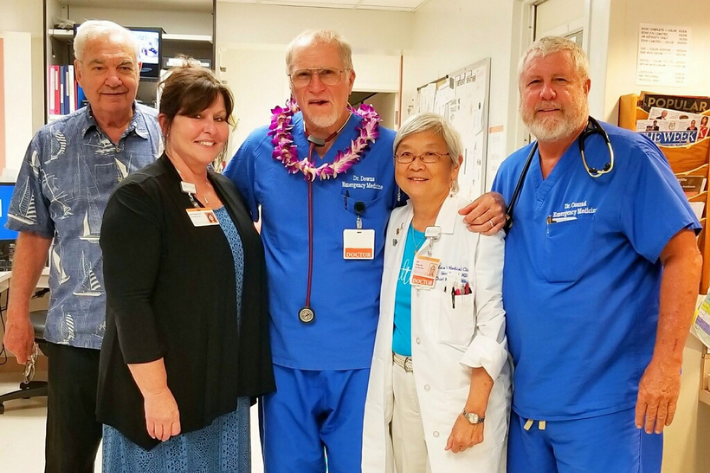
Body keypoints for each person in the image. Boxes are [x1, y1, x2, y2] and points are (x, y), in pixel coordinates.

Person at [223, 29, 505, 472]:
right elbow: (224, 221)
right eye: (304, 75)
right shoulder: (261, 148)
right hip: (284, 358)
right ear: (290, 83)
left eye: (328, 73)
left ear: (350, 78)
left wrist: (492, 201)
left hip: (363, 361)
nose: (316, 86)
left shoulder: (389, 149)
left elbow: (433, 201)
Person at [491, 36, 702, 472]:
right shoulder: (513, 171)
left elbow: (685, 256)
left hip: (608, 409)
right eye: (533, 82)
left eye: (559, 80)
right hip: (529, 405)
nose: (545, 93)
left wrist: (667, 365)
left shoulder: (629, 158)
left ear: (586, 87)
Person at [96, 62, 275, 471]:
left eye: (219, 118)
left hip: (218, 386)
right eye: (195, 116)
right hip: (163, 389)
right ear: (165, 122)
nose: (209, 128)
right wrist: (156, 393)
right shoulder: (139, 197)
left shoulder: (224, 187)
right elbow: (130, 304)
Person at [3, 20, 161, 472]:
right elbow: (33, 236)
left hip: (152, 337)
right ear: (78, 72)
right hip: (76, 335)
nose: (113, 78)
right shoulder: (49, 144)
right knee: (68, 461)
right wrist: (16, 317)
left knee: (147, 459)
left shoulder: (168, 137)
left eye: (124, 66)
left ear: (138, 70)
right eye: (99, 66)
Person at [362, 112, 511, 473]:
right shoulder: (396, 223)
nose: (416, 164)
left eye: (430, 154)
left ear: (455, 165)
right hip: (401, 383)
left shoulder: (478, 227)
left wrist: (473, 412)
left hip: (458, 392)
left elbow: (493, 325)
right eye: (405, 154)